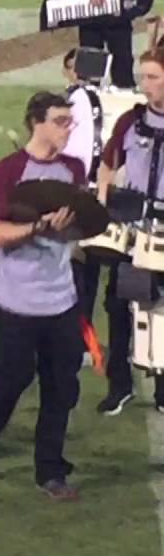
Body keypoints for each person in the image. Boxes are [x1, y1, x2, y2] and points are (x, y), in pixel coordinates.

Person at [0, 91, 85, 501]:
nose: (68, 128)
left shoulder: (74, 169)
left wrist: (75, 232)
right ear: (37, 123)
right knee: (12, 379)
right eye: (60, 121)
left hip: (61, 300)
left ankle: (50, 472)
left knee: (61, 388)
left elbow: (78, 227)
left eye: (70, 121)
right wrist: (38, 228)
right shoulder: (7, 172)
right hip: (17, 301)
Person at [97, 47, 164, 413]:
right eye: (144, 76)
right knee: (119, 306)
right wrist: (102, 202)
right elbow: (107, 165)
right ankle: (119, 385)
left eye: (153, 77)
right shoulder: (130, 120)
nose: (145, 84)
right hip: (133, 229)